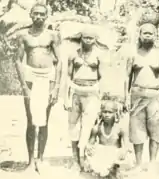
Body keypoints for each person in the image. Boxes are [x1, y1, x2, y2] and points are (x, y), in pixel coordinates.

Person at [13, 3, 62, 173]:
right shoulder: (23, 35)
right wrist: (24, 86)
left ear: (46, 16)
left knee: (44, 121)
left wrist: (56, 87)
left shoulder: (53, 35)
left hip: (47, 77)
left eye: (42, 14)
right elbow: (18, 60)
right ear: (31, 15)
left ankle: (40, 159)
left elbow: (60, 61)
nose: (39, 17)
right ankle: (30, 161)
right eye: (36, 14)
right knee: (30, 120)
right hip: (30, 77)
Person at [64, 26, 108, 172]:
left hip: (92, 92)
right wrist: (66, 97)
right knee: (73, 126)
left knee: (89, 127)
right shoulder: (73, 54)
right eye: (85, 37)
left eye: (91, 38)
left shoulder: (99, 55)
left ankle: (86, 160)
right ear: (81, 38)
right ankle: (75, 159)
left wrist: (101, 97)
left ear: (95, 40)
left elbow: (102, 78)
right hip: (76, 91)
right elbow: (68, 77)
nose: (88, 40)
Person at [127, 22, 159, 173]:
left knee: (156, 131)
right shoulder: (133, 53)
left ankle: (152, 163)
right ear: (140, 35)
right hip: (136, 94)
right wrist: (126, 97)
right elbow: (127, 77)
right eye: (145, 33)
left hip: (155, 95)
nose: (148, 36)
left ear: (155, 35)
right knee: (137, 131)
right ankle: (138, 164)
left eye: (151, 33)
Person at [83, 100, 129, 178]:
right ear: (101, 113)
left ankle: (113, 170)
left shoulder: (121, 128)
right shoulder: (96, 128)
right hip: (102, 153)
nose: (107, 115)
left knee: (122, 159)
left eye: (110, 112)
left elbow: (127, 146)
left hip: (115, 154)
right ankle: (106, 171)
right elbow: (90, 143)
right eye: (105, 112)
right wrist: (89, 147)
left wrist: (124, 151)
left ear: (115, 113)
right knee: (93, 157)